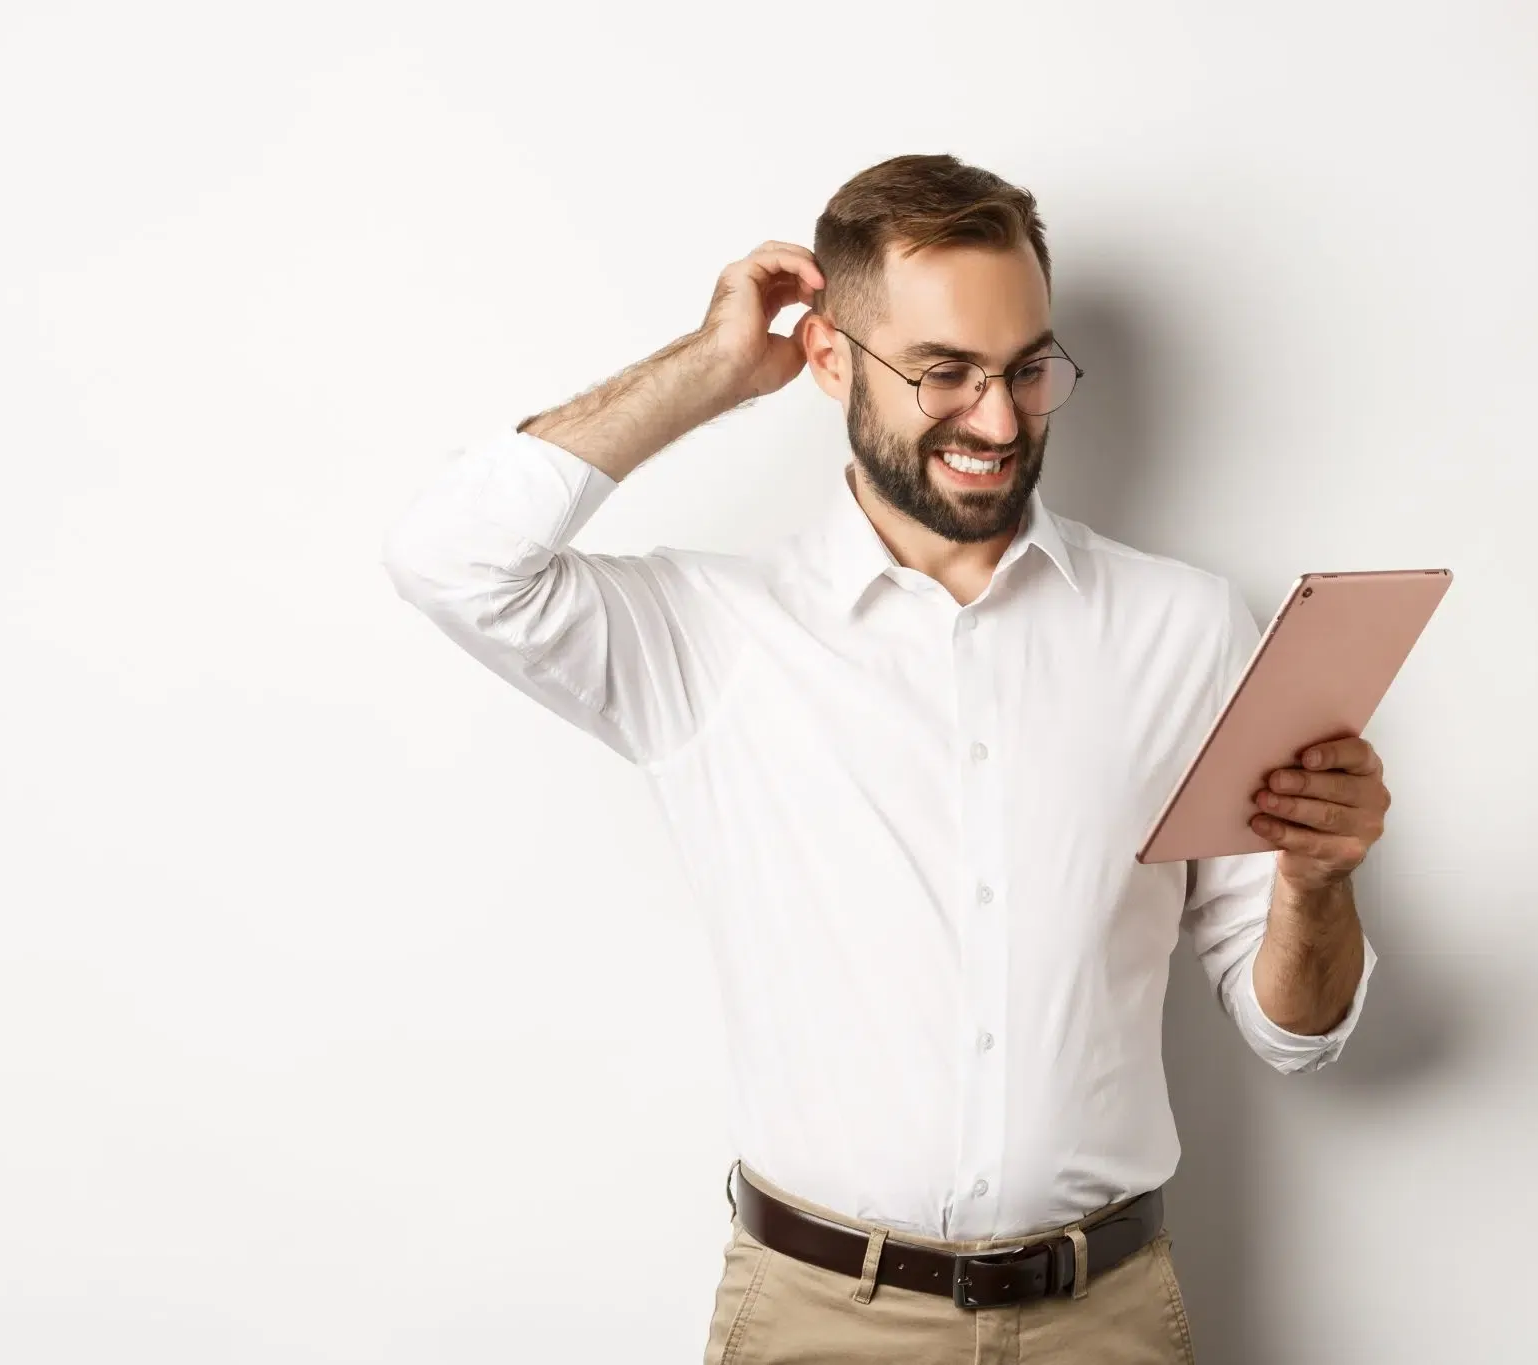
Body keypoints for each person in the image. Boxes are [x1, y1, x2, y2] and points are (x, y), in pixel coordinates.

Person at [382, 153, 1385, 1364]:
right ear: (826, 362)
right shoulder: (707, 636)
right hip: (817, 1322)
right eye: (942, 373)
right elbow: (451, 561)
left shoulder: (1188, 629)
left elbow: (1296, 1031)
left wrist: (1315, 885)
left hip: (1104, 1322)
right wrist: (708, 371)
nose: (1000, 419)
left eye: (1027, 369)